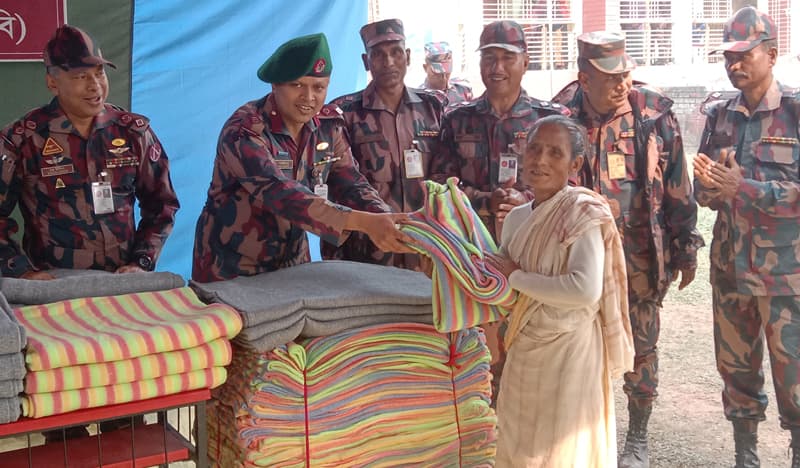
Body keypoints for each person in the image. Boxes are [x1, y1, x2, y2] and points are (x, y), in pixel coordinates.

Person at [0, 25, 180, 441]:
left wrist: (142, 263)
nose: (94, 85)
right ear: (52, 80)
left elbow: (162, 205)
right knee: (66, 415)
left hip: (122, 291)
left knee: (130, 408)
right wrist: (23, 273)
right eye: (80, 75)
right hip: (57, 299)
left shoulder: (132, 132)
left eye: (99, 73)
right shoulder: (23, 139)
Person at [551, 31, 703, 468]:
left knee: (642, 347)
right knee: (575, 343)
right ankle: (579, 434)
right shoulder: (560, 115)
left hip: (638, 255)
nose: (622, 84)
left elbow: (677, 183)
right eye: (609, 76)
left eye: (626, 73)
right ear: (584, 78)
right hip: (580, 257)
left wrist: (685, 244)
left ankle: (636, 437)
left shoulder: (652, 114)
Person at [192, 33, 412, 283]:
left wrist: (384, 217)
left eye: (319, 88)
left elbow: (351, 182)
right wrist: (365, 222)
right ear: (275, 85)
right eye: (297, 85)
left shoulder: (329, 126)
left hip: (294, 264)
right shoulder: (244, 129)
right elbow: (281, 193)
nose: (309, 98)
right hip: (231, 267)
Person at [429, 19, 569, 403]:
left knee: (533, 342)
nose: (497, 68)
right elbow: (441, 183)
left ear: (525, 62)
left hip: (534, 252)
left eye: (507, 58)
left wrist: (528, 200)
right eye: (489, 58)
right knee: (478, 347)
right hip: (475, 255)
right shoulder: (458, 119)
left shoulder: (551, 119)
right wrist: (482, 199)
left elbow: (571, 186)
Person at [485, 114, 634, 467]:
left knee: (564, 450)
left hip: (571, 351)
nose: (540, 160)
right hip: (524, 347)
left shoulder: (582, 211)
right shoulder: (518, 217)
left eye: (555, 153)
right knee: (520, 443)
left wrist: (516, 276)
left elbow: (584, 290)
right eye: (534, 149)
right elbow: (503, 283)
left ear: (575, 163)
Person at [693, 7, 800, 466]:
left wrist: (746, 188)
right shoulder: (719, 116)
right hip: (730, 268)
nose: (734, 64)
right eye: (728, 57)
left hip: (784, 276)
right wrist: (711, 189)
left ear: (772, 55)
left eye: (744, 55)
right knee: (736, 370)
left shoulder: (795, 112)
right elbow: (701, 189)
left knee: (794, 372)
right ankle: (746, 455)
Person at [322, 19, 444, 270]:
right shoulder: (344, 112)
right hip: (366, 250)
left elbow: (446, 173)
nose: (388, 62)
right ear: (367, 62)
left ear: (408, 57)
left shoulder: (434, 108)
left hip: (423, 246)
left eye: (396, 52)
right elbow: (341, 180)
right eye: (378, 54)